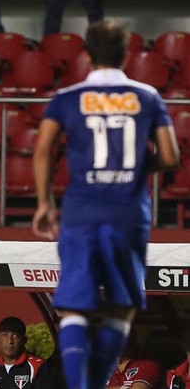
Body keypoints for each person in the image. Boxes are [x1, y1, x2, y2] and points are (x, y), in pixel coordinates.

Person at [32, 19, 179, 389]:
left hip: (82, 212)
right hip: (128, 214)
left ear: (85, 55)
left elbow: (44, 148)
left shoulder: (67, 98)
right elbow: (170, 155)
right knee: (120, 306)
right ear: (127, 54)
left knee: (74, 308)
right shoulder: (147, 96)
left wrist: (43, 202)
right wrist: (141, 166)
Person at [0, 316, 45, 389]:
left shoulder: (38, 367)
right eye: (4, 335)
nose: (10, 341)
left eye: (15, 336)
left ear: (25, 340)